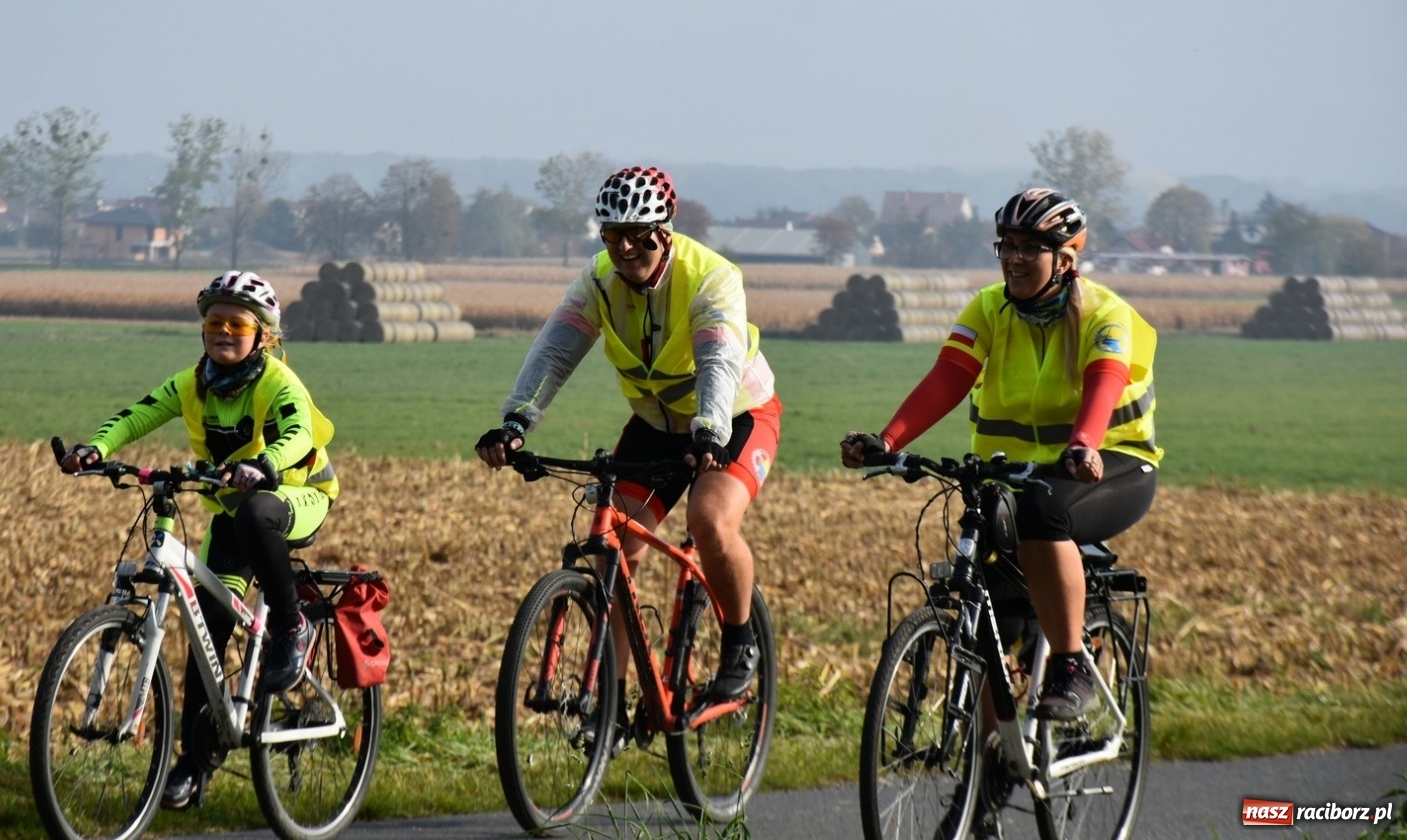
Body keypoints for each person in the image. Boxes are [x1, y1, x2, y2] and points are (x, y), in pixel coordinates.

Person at [476, 165, 783, 737]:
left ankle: (741, 642)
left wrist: (709, 431)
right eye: (611, 234)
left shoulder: (712, 277)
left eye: (637, 235)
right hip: (654, 424)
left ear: (664, 233)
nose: (623, 247)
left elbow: (718, 360)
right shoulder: (599, 280)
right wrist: (515, 422)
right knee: (613, 543)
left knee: (709, 520)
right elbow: (554, 352)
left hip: (736, 418)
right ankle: (611, 702)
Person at [842, 187, 1160, 722]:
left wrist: (1084, 444)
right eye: (1006, 245)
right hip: (1010, 476)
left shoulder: (1107, 315)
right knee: (988, 611)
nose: (1013, 258)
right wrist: (889, 440)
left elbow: (1105, 381)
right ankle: (989, 777)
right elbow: (948, 378)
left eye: (1028, 248)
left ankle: (1070, 661)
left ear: (1065, 259)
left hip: (1111, 464)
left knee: (1043, 514)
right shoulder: (989, 308)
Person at [59, 270, 338, 810]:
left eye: (238, 323)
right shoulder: (194, 381)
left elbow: (298, 433)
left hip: (295, 497)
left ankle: (289, 620)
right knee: (205, 631)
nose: (224, 331)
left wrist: (264, 465)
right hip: (231, 518)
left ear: (263, 336)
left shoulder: (278, 382)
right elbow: (140, 413)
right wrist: (94, 449)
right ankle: (193, 762)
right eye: (215, 322)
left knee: (257, 512)